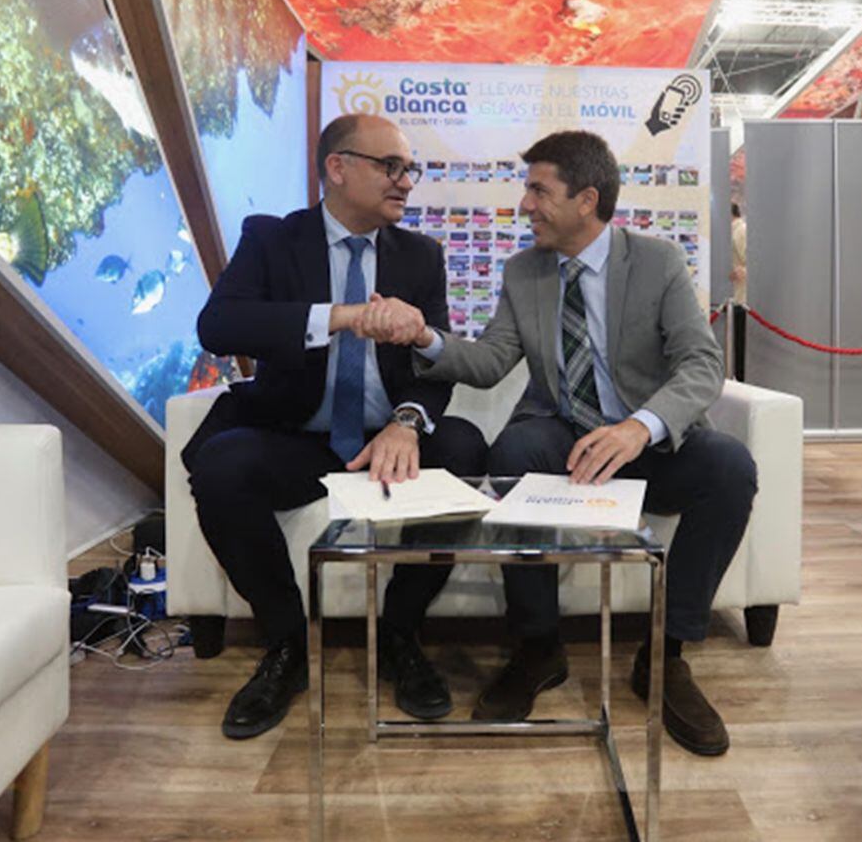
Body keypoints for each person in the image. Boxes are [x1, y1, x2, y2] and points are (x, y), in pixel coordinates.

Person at [374, 130, 757, 756]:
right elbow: (494, 359)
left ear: (586, 199)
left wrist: (641, 427)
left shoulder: (656, 261)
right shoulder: (524, 271)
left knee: (730, 467)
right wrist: (426, 340)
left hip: (640, 440)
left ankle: (664, 655)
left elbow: (700, 365)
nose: (525, 204)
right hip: (562, 433)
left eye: (537, 190)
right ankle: (538, 646)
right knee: (513, 453)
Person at [182, 113, 487, 740]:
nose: (406, 182)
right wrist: (340, 316)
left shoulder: (421, 255)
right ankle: (288, 644)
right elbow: (220, 326)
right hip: (296, 437)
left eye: (411, 169)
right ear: (338, 168)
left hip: (385, 441)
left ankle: (399, 632)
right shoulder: (272, 239)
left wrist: (406, 421)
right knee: (221, 465)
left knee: (465, 447)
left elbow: (437, 363)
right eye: (391, 167)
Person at [730, 202, 747, 380]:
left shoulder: (740, 231)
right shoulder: (734, 232)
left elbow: (754, 262)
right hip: (735, 300)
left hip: (741, 301)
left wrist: (744, 271)